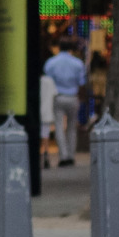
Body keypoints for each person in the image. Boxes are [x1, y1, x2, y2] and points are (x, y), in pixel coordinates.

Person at [44, 39, 86, 167]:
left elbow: (47, 80)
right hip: (73, 97)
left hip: (58, 96)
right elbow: (82, 82)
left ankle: (63, 155)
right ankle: (71, 155)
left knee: (59, 127)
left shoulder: (51, 62)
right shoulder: (77, 63)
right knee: (72, 128)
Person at [39, 71, 56, 168]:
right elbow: (54, 94)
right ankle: (46, 153)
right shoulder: (50, 81)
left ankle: (41, 155)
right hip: (47, 111)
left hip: (37, 112)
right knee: (45, 135)